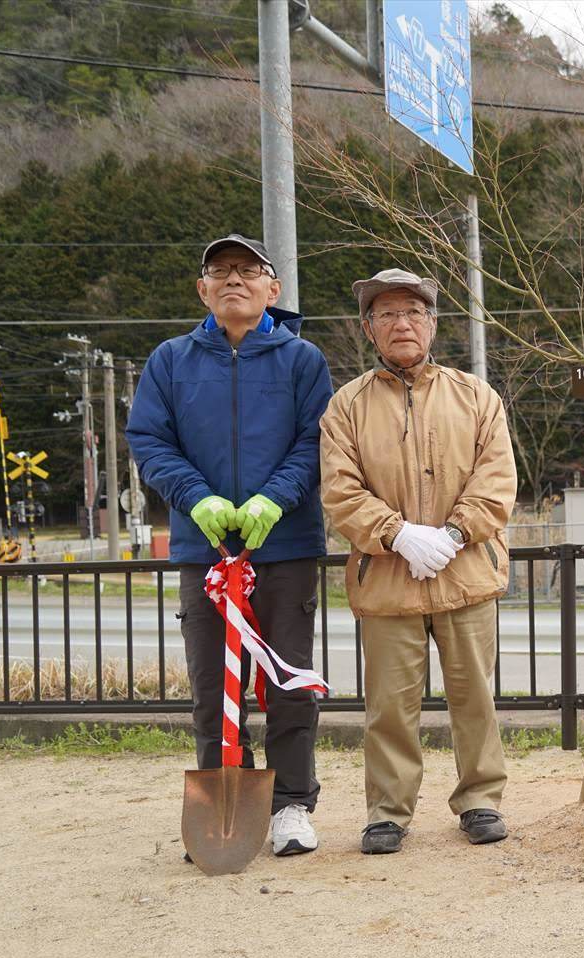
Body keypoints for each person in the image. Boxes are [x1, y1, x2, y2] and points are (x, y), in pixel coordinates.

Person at [127, 233, 331, 856]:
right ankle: (225, 802)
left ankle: (292, 805)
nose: (233, 279)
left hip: (285, 546)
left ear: (274, 288)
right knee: (212, 688)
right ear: (202, 288)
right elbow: (149, 440)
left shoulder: (302, 360)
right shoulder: (170, 359)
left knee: (289, 684)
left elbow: (316, 440)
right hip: (204, 551)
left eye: (249, 270)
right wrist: (196, 496)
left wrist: (275, 497)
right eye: (220, 270)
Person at [319, 268, 518, 854]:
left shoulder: (475, 396)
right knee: (388, 706)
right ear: (369, 329)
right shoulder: (346, 405)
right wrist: (398, 534)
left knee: (475, 696)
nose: (401, 323)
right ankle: (387, 810)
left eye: (413, 312)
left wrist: (454, 534)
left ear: (432, 324)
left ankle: (480, 799)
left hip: (467, 572)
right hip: (385, 576)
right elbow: (340, 490)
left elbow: (497, 479)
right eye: (386, 315)